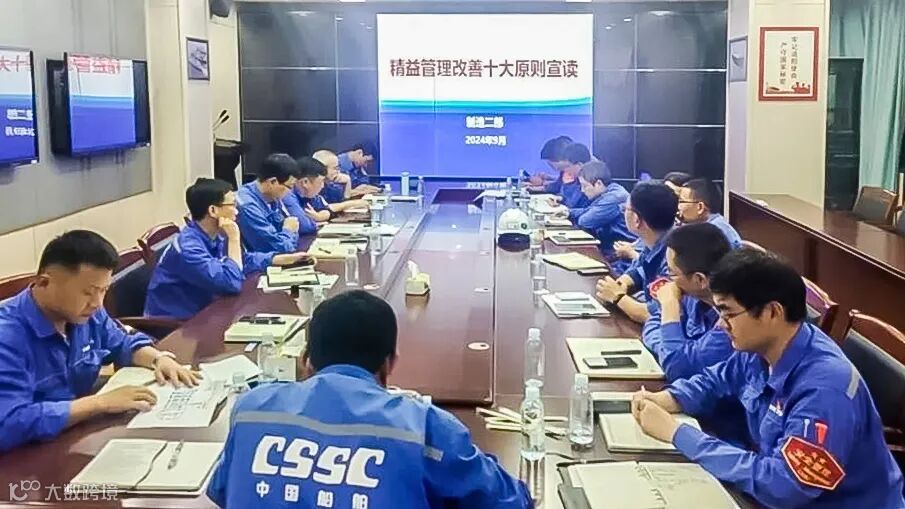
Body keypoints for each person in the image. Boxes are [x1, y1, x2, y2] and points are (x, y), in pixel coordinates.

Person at [631, 249, 905, 509]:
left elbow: (785, 486)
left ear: (773, 312)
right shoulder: (763, 347)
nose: (722, 324)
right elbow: (716, 380)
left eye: (729, 313)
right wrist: (669, 398)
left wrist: (677, 433)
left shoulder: (825, 390)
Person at [207, 291, 532, 508]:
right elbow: (511, 501)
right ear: (390, 362)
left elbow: (222, 491)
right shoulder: (425, 426)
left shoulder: (251, 410)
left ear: (306, 360)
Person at [0, 231, 200, 452]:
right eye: (88, 292)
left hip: (74, 436)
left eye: (103, 290)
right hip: (23, 456)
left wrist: (159, 359)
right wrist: (100, 403)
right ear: (44, 282)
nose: (97, 303)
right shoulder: (7, 336)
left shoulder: (86, 313)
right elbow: (8, 423)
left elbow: (122, 342)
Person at [145, 178, 312, 320]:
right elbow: (230, 283)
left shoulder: (214, 233)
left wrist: (279, 259)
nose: (237, 211)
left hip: (210, 310)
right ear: (213, 210)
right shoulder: (189, 248)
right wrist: (234, 239)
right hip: (178, 326)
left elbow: (241, 261)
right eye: (232, 205)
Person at [642, 223, 734, 381]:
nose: (669, 281)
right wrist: (667, 349)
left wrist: (670, 304)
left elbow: (677, 368)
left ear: (700, 279)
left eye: (671, 273)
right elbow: (653, 323)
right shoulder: (692, 295)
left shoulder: (731, 321)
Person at [596, 182, 677, 323]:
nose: (623, 212)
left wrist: (617, 297)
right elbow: (639, 271)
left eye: (625, 209)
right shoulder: (654, 239)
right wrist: (621, 284)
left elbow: (656, 315)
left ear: (636, 219)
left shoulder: (675, 255)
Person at [236, 153, 301, 254]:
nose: (290, 192)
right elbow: (278, 248)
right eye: (290, 187)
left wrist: (288, 234)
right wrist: (289, 231)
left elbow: (287, 241)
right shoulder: (247, 205)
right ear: (272, 182)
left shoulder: (272, 197)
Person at [565, 161, 635, 254]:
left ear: (598, 183)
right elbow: (590, 210)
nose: (582, 190)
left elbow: (585, 221)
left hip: (620, 251)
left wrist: (572, 214)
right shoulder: (608, 192)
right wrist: (567, 212)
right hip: (611, 246)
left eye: (584, 186)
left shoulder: (614, 197)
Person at [677, 178, 742, 248]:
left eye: (681, 201)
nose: (678, 207)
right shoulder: (717, 225)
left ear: (700, 207)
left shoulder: (710, 236)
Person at [549, 142, 592, 209]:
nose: (565, 170)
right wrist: (561, 198)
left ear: (579, 165)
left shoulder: (589, 182)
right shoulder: (577, 179)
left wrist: (566, 185)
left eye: (568, 166)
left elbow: (572, 205)